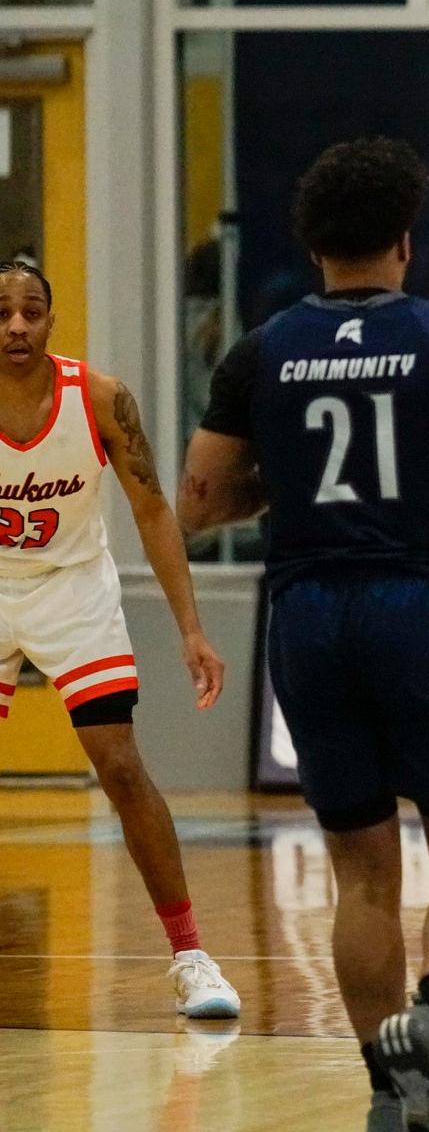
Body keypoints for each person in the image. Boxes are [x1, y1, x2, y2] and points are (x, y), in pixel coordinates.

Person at [180, 138, 429, 1132]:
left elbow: (197, 499)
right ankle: (427, 1031)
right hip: (417, 610)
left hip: (305, 618)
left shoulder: (258, 352)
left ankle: (390, 1093)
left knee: (360, 872)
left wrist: (283, 487)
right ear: (403, 240)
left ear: (312, 250)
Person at [0, 260, 240, 1022]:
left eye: (31, 310)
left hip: (74, 589)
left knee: (122, 769)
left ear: (52, 321)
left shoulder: (100, 398)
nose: (15, 325)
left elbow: (154, 511)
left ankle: (191, 955)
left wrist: (192, 629)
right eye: (2, 311)